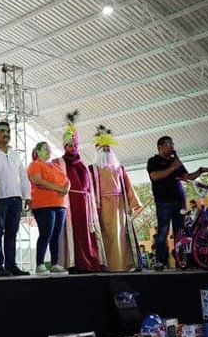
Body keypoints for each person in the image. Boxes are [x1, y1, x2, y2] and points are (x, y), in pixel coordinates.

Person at [147, 135, 208, 270]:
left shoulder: (176, 161)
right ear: (160, 147)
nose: (172, 146)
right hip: (163, 202)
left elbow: (187, 177)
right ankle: (161, 261)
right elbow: (155, 176)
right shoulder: (153, 161)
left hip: (179, 201)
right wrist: (173, 168)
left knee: (181, 232)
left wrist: (200, 170)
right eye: (168, 144)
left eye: (172, 144)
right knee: (163, 233)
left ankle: (182, 260)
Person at [90, 126, 142, 272]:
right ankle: (106, 265)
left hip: (119, 207)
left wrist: (133, 202)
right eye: (103, 148)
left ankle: (122, 265)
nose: (106, 151)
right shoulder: (93, 169)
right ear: (97, 150)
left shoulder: (120, 168)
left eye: (108, 148)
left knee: (120, 235)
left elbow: (127, 186)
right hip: (101, 207)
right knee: (105, 236)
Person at [0, 121, 31, 276]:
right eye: (3, 131)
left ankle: (11, 265)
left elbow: (23, 176)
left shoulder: (15, 153)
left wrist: (27, 196)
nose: (6, 134)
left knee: (12, 233)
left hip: (16, 199)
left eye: (8, 131)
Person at [60, 111, 104, 273]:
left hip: (86, 205)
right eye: (69, 145)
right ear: (65, 146)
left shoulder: (83, 164)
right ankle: (75, 262)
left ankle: (90, 261)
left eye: (75, 145)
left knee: (87, 234)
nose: (73, 148)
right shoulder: (60, 162)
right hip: (70, 204)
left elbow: (90, 187)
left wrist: (94, 204)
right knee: (74, 234)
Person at [27, 141, 69, 274]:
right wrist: (58, 188)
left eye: (49, 149)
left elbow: (67, 181)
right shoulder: (35, 165)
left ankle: (55, 263)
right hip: (43, 205)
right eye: (45, 149)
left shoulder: (56, 166)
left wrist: (66, 189)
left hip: (60, 204)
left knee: (56, 235)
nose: (48, 151)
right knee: (46, 233)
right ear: (38, 151)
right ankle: (40, 264)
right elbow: (37, 180)